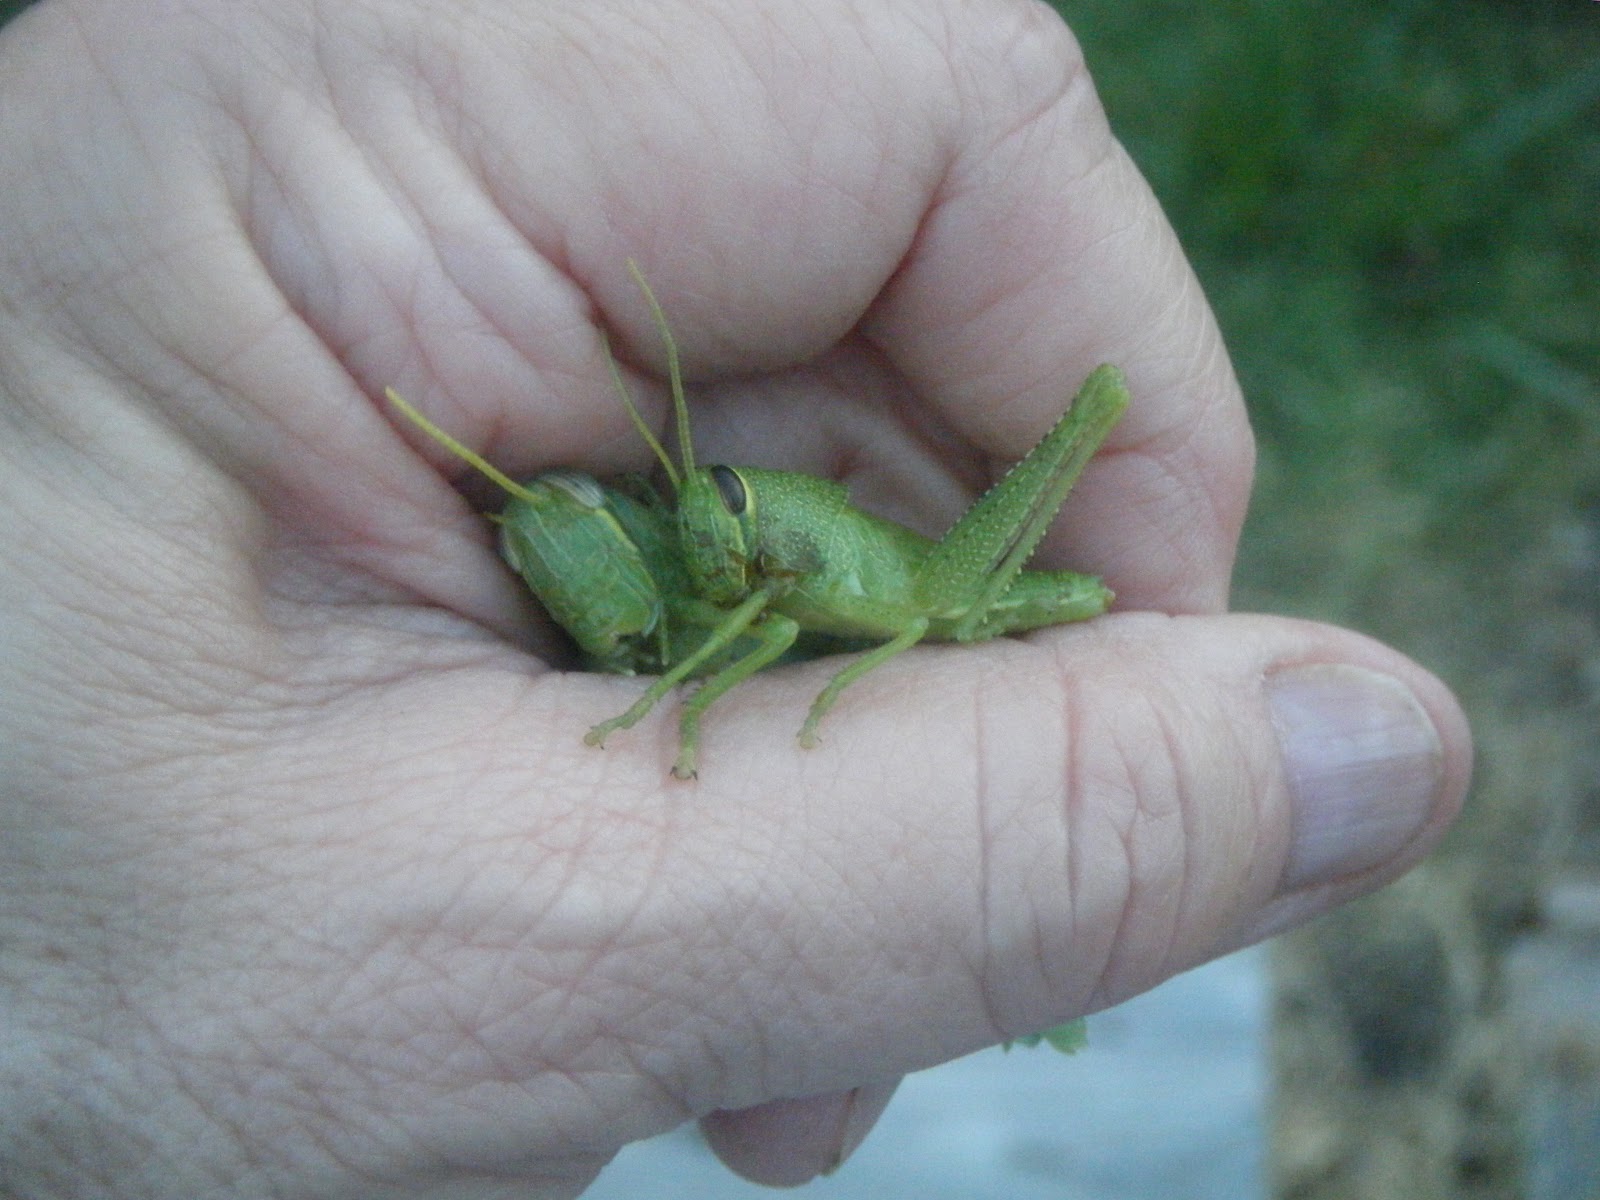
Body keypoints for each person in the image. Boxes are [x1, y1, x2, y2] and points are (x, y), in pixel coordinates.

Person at [0, 0, 1471, 1193]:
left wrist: (785, 698)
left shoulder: (814, 582)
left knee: (984, 539)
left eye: (720, 503)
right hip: (835, 598)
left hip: (941, 592)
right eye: (700, 505)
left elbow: (835, 630)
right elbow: (736, 610)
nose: (708, 529)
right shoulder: (722, 548)